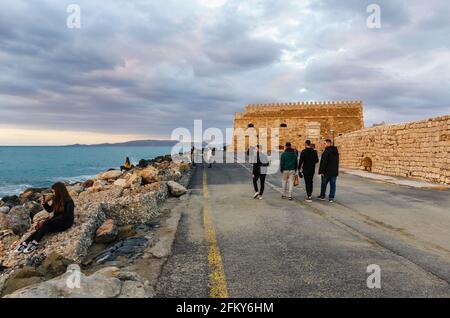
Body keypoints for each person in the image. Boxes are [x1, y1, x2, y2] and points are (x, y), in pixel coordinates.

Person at [15, 182, 75, 254]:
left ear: (59, 191)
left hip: (66, 223)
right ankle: (26, 242)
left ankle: (35, 242)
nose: (53, 193)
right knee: (42, 227)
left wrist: (51, 220)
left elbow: (67, 216)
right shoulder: (56, 199)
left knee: (46, 223)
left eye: (54, 191)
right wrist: (45, 204)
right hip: (57, 221)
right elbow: (50, 210)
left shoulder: (69, 201)